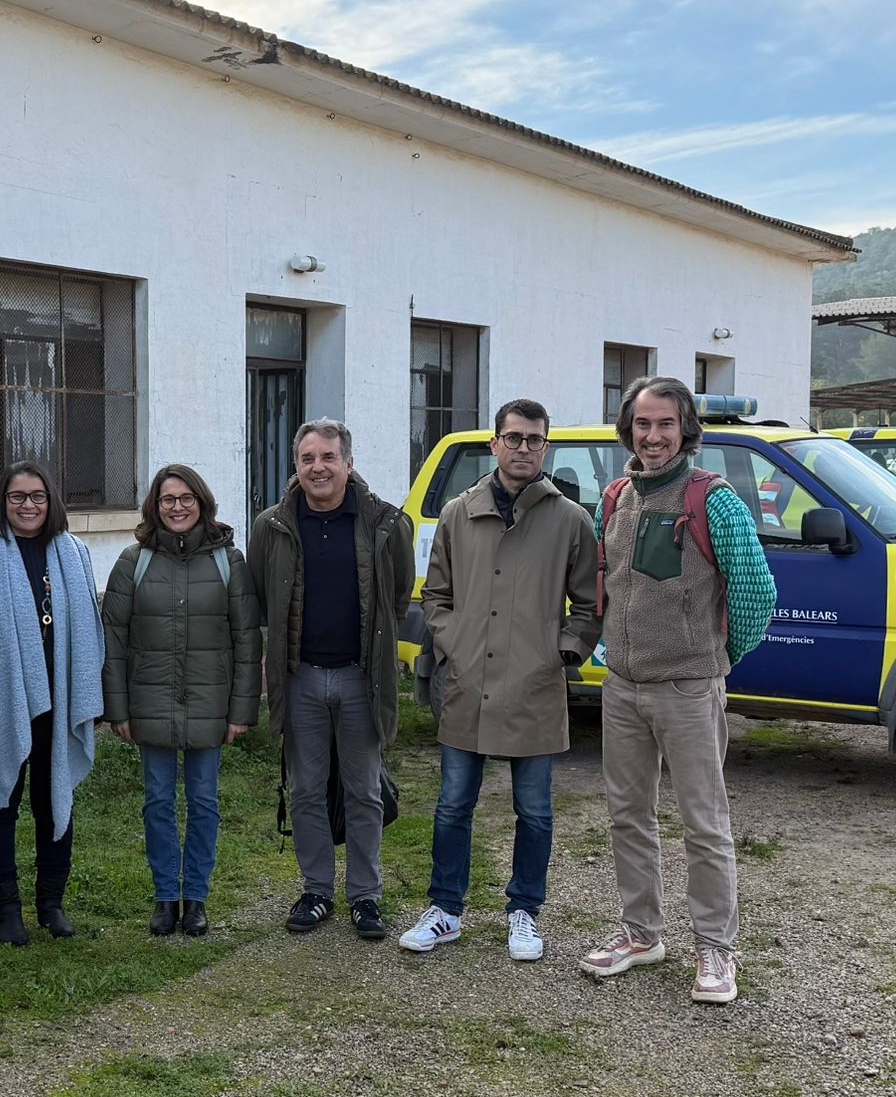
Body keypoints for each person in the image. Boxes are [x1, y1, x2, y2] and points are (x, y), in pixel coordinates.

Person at [578, 376, 775, 1005]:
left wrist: (713, 663)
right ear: (627, 429)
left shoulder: (714, 502)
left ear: (685, 428)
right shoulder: (614, 498)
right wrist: (616, 655)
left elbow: (756, 595)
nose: (653, 436)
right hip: (623, 687)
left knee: (704, 823)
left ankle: (716, 950)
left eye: (665, 424)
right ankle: (642, 934)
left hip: (689, 688)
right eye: (642, 424)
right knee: (627, 814)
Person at [399, 399, 599, 960]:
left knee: (533, 809)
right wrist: (454, 643)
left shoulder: (570, 520)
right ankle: (445, 910)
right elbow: (436, 595)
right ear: (495, 444)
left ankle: (524, 912)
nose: (523, 449)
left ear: (546, 447)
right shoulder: (459, 515)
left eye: (535, 440)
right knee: (452, 805)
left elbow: (589, 604)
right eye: (513, 438)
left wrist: (561, 654)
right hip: (468, 681)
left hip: (535, 687)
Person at [247, 419, 414, 940]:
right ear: (296, 465)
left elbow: (399, 594)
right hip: (299, 680)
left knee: (363, 790)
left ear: (348, 462)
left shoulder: (384, 524)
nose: (317, 467)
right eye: (307, 458)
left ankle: (365, 896)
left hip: (360, 680)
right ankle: (316, 889)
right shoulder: (272, 526)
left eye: (328, 457)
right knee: (305, 791)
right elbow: (259, 599)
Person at [101, 464, 262, 937]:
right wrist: (118, 708)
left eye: (186, 498)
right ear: (155, 506)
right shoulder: (134, 561)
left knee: (203, 801)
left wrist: (241, 711)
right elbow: (113, 637)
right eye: (168, 499)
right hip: (149, 701)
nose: (177, 507)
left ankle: (196, 898)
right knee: (157, 802)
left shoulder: (229, 561)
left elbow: (247, 641)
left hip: (210, 702)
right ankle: (164, 897)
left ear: (202, 502)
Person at [0, 461, 105, 944]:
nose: (28, 505)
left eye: (37, 495)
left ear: (51, 500)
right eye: (17, 497)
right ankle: (7, 910)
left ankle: (51, 904)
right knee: (0, 803)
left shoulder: (75, 554)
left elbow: (90, 631)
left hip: (60, 701)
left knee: (55, 797)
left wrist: (91, 698)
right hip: (0, 702)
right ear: (3, 503)